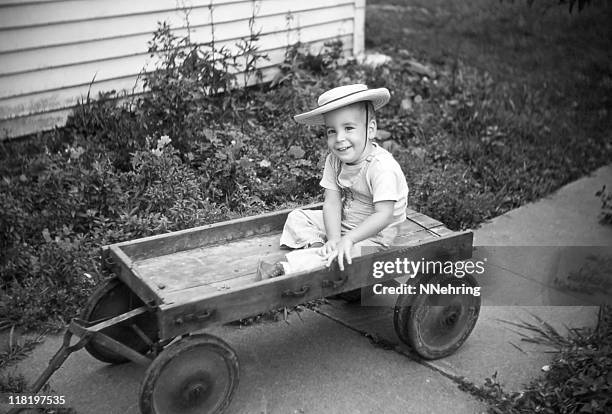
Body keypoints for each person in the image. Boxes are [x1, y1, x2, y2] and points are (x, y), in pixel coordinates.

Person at [257, 84, 409, 280]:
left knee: (345, 254)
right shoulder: (334, 159)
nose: (339, 138)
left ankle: (285, 269)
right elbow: (332, 201)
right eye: (331, 131)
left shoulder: (382, 167)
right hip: (347, 220)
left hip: (374, 235)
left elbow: (384, 215)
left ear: (370, 130)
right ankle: (319, 247)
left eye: (348, 128)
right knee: (298, 217)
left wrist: (349, 239)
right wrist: (335, 237)